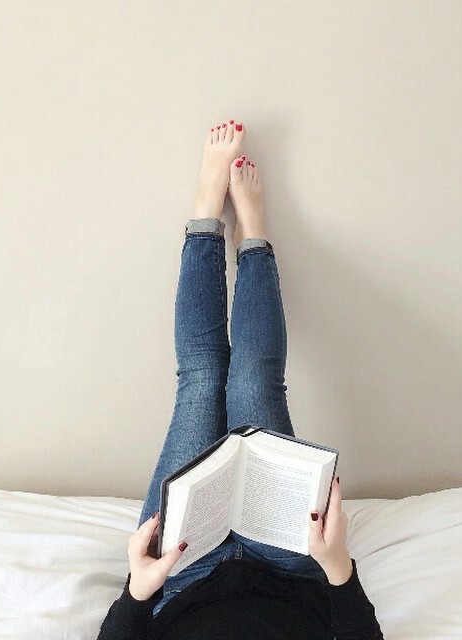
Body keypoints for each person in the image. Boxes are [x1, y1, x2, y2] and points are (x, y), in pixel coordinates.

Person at [96, 119, 384, 639]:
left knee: (203, 379)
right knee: (254, 381)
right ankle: (254, 235)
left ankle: (206, 216)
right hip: (289, 566)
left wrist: (137, 590)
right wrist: (338, 567)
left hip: (182, 573)